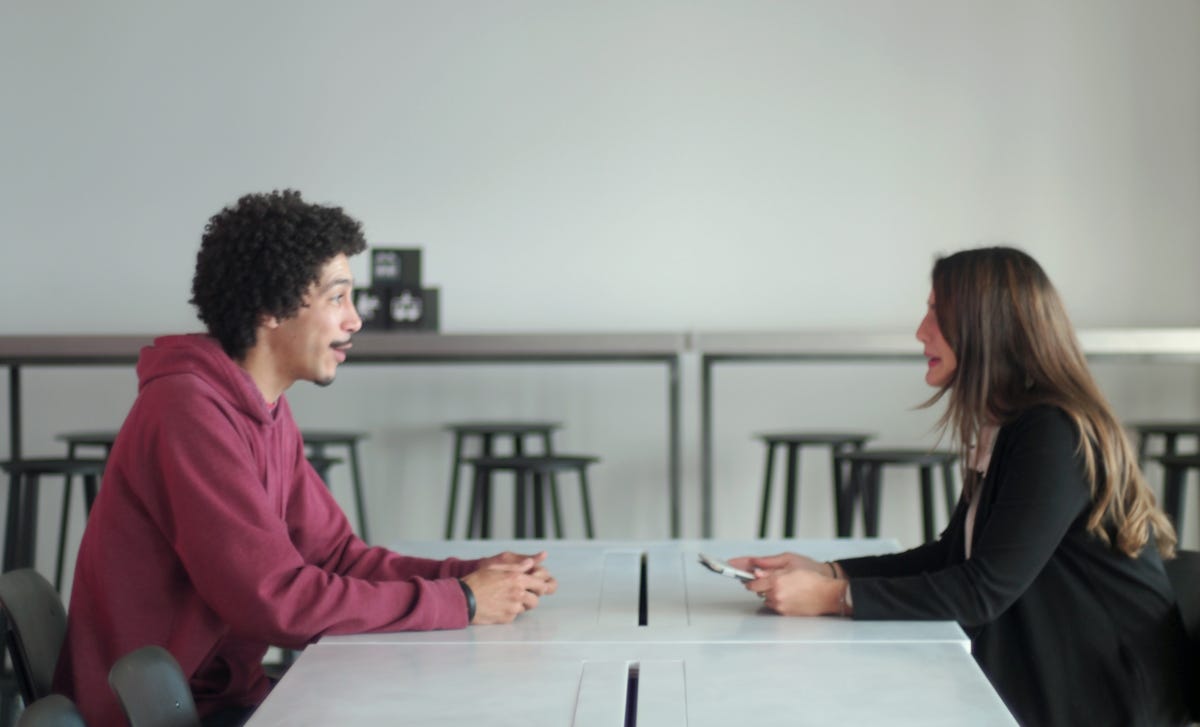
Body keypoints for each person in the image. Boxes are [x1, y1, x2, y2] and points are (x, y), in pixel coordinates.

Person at [53, 190, 558, 726]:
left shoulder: (262, 406)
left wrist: (468, 576)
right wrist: (462, 601)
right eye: (337, 298)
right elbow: (275, 601)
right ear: (271, 307)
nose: (354, 320)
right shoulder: (187, 410)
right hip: (158, 714)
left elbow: (336, 557)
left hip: (221, 697)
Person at [730, 247, 1193, 726]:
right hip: (1058, 685)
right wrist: (829, 572)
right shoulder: (1010, 425)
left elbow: (982, 589)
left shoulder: (1052, 432)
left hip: (1111, 703)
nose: (921, 331)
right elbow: (952, 558)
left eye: (938, 312)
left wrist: (833, 597)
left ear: (987, 326)